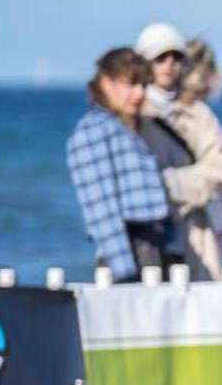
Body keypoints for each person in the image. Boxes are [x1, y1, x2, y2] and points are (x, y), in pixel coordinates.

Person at [135, 24, 222, 279]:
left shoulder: (198, 114)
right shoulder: (133, 112)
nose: (169, 64)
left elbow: (220, 169)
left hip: (193, 238)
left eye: (176, 57)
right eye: (160, 57)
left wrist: (171, 184)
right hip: (144, 239)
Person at [66, 49, 172, 281]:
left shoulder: (122, 128)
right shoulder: (92, 131)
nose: (139, 93)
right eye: (131, 84)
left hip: (148, 244)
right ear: (106, 83)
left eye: (143, 85)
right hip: (126, 249)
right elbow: (100, 209)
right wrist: (124, 272)